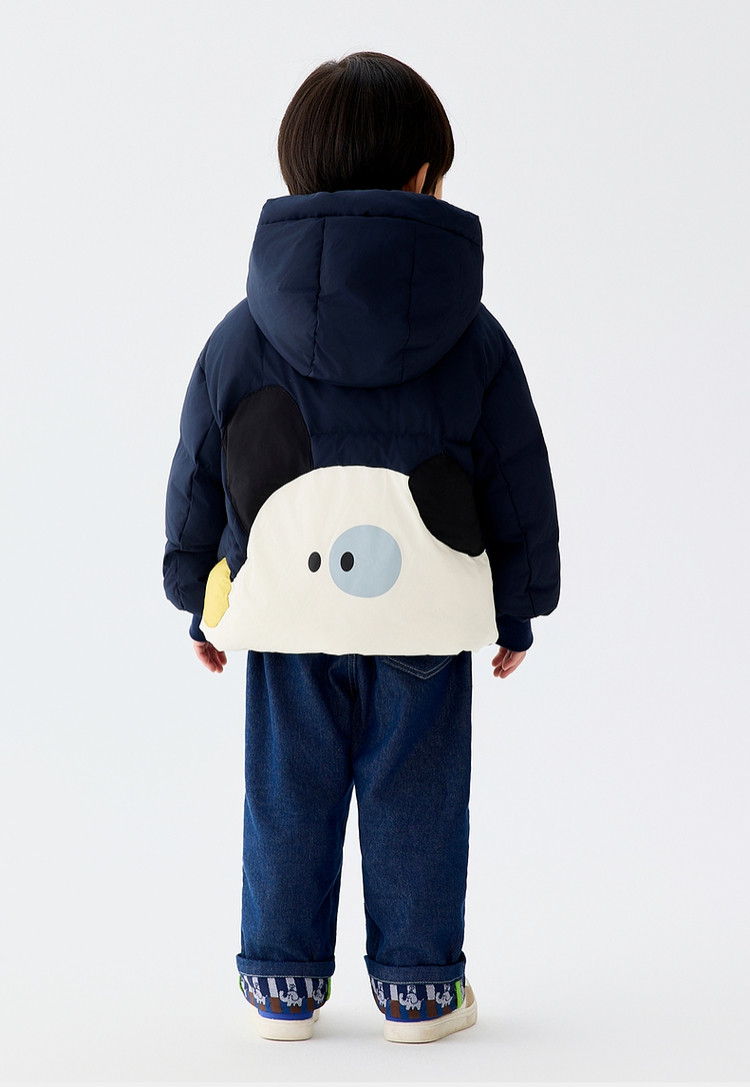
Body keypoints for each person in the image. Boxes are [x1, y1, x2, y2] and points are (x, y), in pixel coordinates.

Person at [162, 50, 560, 1044]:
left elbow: (202, 466)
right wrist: (519, 606)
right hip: (422, 613)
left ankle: (280, 985)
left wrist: (194, 593)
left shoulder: (242, 332)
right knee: (416, 791)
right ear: (425, 178)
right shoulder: (474, 335)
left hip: (286, 615)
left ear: (299, 173)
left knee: (286, 793)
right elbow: (516, 476)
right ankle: (419, 991)